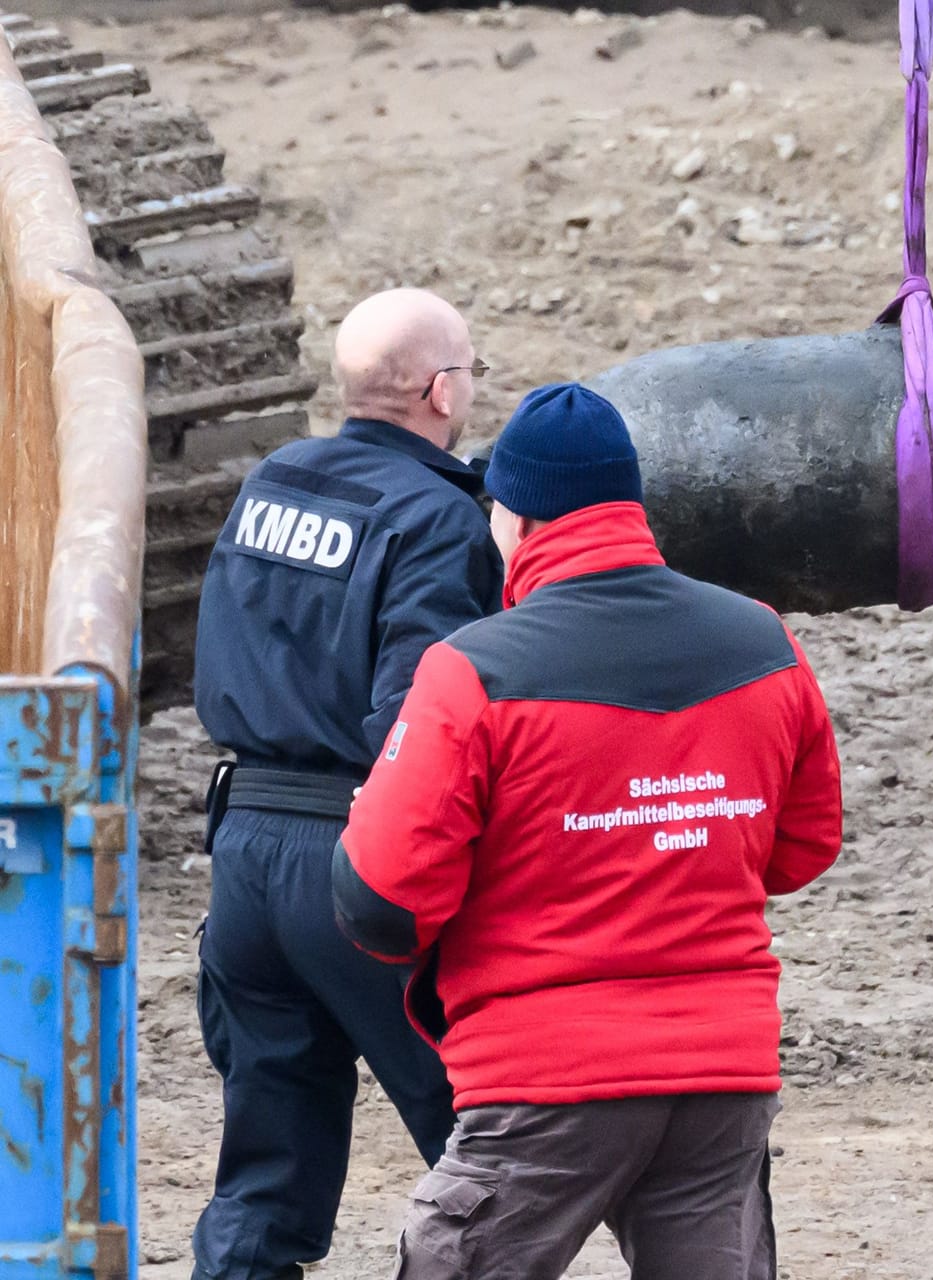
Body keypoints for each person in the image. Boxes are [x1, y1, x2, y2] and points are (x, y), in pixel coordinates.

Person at [331, 381, 844, 1280]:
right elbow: (802, 848)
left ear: (518, 521)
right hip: (723, 1074)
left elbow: (381, 902)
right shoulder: (765, 641)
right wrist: (670, 842)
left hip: (543, 1083)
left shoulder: (472, 671)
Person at [190, 288, 504, 1280]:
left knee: (265, 1182)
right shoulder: (437, 520)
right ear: (442, 389)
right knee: (487, 1157)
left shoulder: (272, 480)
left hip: (243, 858)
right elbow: (424, 717)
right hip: (360, 862)